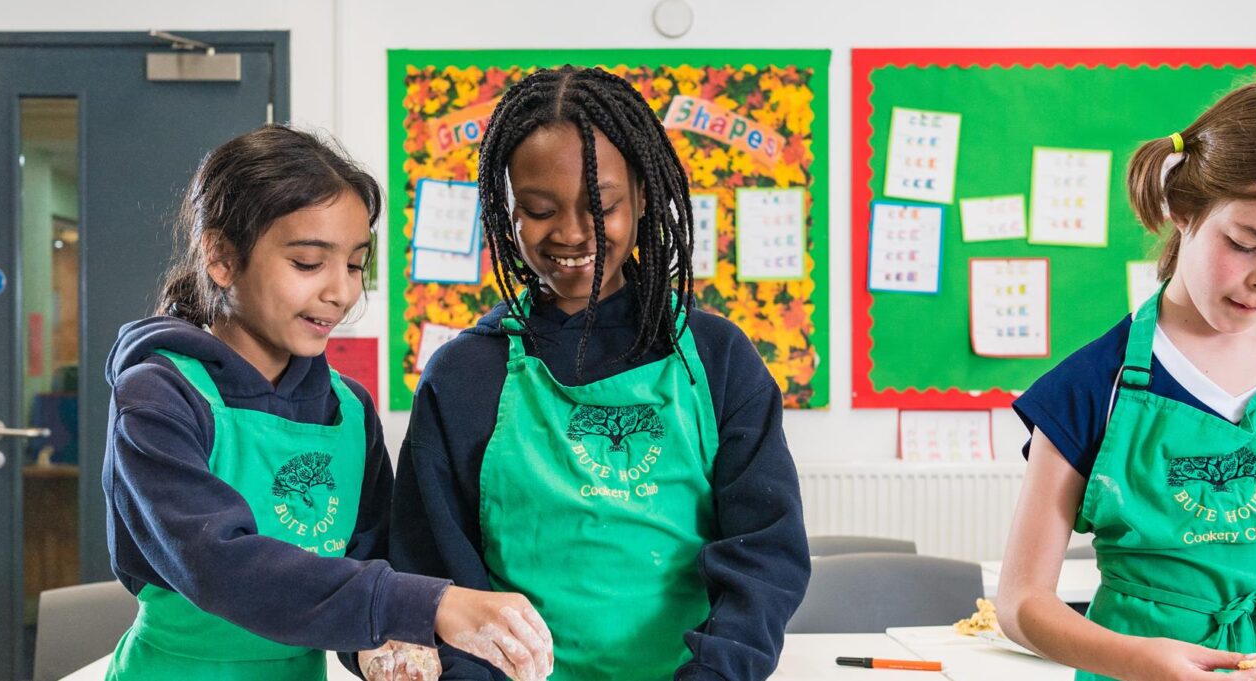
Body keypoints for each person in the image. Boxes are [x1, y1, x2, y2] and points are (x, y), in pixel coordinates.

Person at [390, 65, 811, 680]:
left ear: (642, 196)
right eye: (537, 210)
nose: (569, 232)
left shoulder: (717, 359)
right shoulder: (464, 376)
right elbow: (437, 571)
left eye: (601, 206)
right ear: (506, 211)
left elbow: (764, 555)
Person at [102, 125, 552, 681]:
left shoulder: (349, 410)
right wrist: (432, 604)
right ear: (220, 256)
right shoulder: (159, 397)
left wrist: (376, 649)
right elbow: (221, 565)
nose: (341, 291)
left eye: (355, 264)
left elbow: (363, 567)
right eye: (309, 263)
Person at [996, 81, 1256, 680]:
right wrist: (1137, 659)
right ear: (1184, 209)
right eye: (1246, 245)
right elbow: (1021, 603)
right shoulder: (1090, 390)